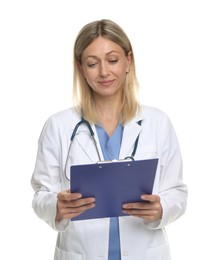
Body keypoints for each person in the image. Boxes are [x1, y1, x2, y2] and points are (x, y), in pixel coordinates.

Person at [31, 19, 188, 260]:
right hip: (81, 251)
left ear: (129, 60)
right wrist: (57, 207)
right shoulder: (58, 125)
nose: (104, 72)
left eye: (113, 60)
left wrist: (161, 208)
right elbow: (41, 194)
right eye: (92, 63)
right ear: (81, 68)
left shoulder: (158, 123)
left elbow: (177, 192)